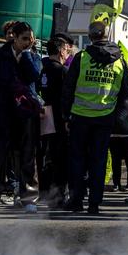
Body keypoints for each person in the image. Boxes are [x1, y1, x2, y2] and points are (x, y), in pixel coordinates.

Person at [61, 22, 128, 215]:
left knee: (77, 160)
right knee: (98, 161)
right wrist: (116, 118)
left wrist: (66, 115)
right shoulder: (119, 61)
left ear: (90, 36)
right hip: (105, 118)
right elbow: (125, 94)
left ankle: (76, 200)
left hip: (80, 117)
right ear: (107, 36)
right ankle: (94, 203)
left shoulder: (81, 57)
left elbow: (68, 88)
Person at [0, 22, 42, 214]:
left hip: (25, 115)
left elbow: (34, 77)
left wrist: (25, 56)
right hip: (2, 113)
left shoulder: (33, 57)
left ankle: (28, 198)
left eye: (31, 39)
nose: (29, 42)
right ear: (13, 38)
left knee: (27, 157)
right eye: (24, 39)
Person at [38, 33, 74, 207]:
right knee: (60, 158)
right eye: (67, 49)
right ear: (60, 50)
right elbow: (67, 97)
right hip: (59, 119)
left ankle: (44, 192)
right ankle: (58, 195)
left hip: (42, 116)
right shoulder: (62, 71)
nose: (68, 52)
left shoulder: (39, 67)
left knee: (44, 156)